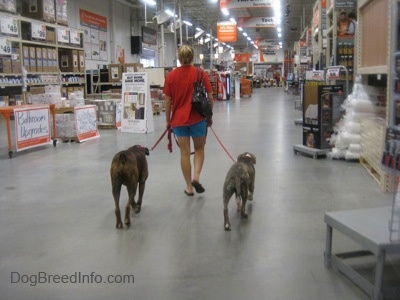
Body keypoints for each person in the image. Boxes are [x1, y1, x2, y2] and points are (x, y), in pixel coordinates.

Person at [163, 45, 214, 196]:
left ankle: (189, 187)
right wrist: (209, 116)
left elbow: (167, 101)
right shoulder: (200, 73)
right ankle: (196, 178)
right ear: (193, 57)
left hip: (178, 121)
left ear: (179, 58)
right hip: (197, 119)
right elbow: (210, 96)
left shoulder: (170, 76)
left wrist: (168, 121)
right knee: (199, 149)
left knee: (184, 153)